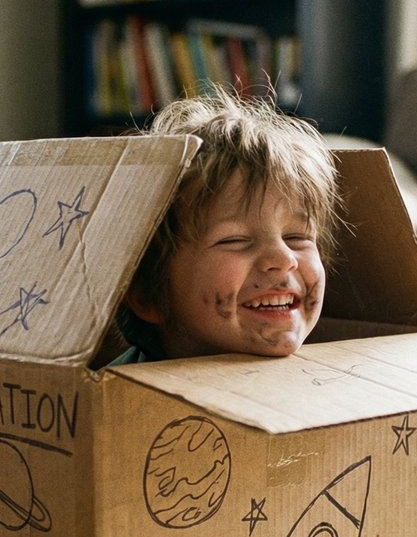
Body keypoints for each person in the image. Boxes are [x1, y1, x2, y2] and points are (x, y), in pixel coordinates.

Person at [113, 87, 341, 363]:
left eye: (296, 237)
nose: (284, 259)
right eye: (235, 240)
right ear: (148, 295)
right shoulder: (119, 403)